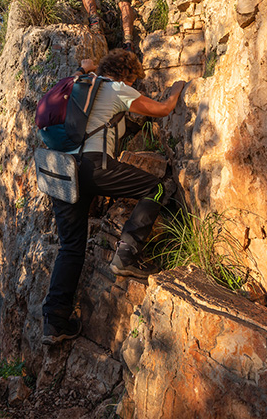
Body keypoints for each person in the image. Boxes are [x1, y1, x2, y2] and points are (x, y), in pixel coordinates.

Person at [42, 49, 186, 345]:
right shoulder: (118, 88)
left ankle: (55, 324)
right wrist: (176, 91)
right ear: (129, 76)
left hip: (58, 169)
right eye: (134, 78)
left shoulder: (80, 83)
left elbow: (86, 64)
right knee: (156, 188)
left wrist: (91, 65)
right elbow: (161, 110)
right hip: (94, 167)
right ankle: (126, 255)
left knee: (70, 247)